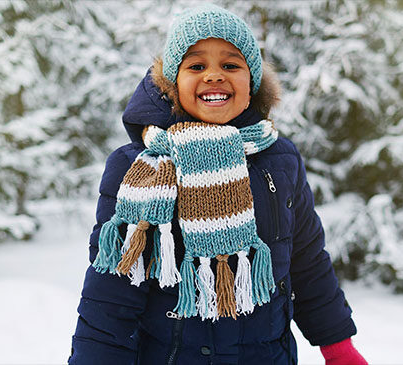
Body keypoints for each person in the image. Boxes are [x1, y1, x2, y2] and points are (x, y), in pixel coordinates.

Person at [69, 4, 367, 365]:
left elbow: (307, 263)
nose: (214, 76)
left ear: (252, 80)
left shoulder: (280, 159)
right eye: (196, 66)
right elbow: (111, 294)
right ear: (172, 82)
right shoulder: (138, 167)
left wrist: (338, 347)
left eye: (230, 65)